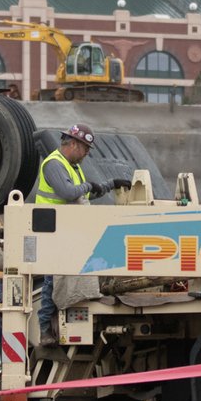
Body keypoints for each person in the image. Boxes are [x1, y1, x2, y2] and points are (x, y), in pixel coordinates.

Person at [33, 123, 129, 344]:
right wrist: (88, 186)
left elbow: (84, 194)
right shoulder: (54, 164)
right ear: (74, 144)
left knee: (60, 277)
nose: (86, 154)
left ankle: (55, 321)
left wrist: (110, 185)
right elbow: (69, 193)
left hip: (65, 231)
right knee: (51, 279)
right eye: (85, 149)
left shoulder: (72, 167)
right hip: (50, 230)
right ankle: (45, 327)